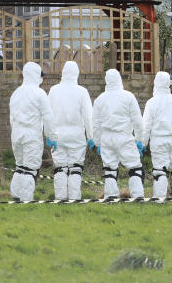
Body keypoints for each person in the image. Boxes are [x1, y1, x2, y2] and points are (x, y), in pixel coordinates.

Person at [91, 69, 144, 200]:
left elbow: (95, 124)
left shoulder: (100, 99)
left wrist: (98, 143)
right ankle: (137, 195)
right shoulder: (128, 96)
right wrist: (139, 139)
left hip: (107, 138)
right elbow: (137, 120)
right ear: (119, 79)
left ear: (106, 80)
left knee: (109, 169)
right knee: (134, 167)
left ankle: (111, 196)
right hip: (124, 136)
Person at [8, 61, 57, 202]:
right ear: (36, 75)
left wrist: (15, 133)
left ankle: (16, 196)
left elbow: (11, 118)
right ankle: (26, 200)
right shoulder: (39, 93)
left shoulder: (15, 93)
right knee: (30, 169)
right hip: (31, 135)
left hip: (16, 134)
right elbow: (48, 116)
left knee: (20, 166)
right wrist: (51, 136)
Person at [48, 60, 94, 201]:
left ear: (63, 72)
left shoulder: (54, 90)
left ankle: (60, 198)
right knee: (75, 168)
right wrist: (91, 136)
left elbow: (47, 114)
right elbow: (88, 116)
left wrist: (48, 135)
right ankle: (74, 198)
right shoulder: (82, 91)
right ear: (77, 73)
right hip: (77, 136)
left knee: (60, 168)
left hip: (58, 136)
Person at [141, 71, 172, 199]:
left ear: (155, 84)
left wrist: (142, 143)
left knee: (159, 171)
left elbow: (146, 126)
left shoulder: (152, 102)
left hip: (159, 140)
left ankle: (160, 199)